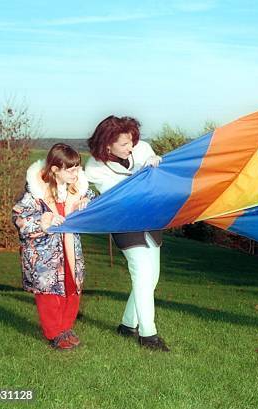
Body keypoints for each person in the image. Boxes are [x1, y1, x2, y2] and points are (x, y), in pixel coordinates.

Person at [84, 115, 169, 352]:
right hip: (124, 223)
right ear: (107, 144)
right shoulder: (94, 167)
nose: (130, 147)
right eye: (124, 144)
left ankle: (127, 324)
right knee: (141, 273)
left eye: (131, 142)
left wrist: (153, 163)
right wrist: (145, 171)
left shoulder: (142, 149)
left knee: (151, 278)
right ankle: (148, 334)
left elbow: (155, 180)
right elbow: (120, 194)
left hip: (150, 220)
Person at [12, 143, 94, 350]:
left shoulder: (79, 189)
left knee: (72, 289)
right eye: (71, 168)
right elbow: (19, 219)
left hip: (70, 251)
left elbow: (94, 205)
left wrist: (86, 202)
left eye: (77, 167)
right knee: (49, 294)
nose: (77, 172)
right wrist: (44, 221)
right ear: (55, 169)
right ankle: (54, 333)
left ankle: (66, 327)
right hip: (43, 255)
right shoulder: (34, 194)